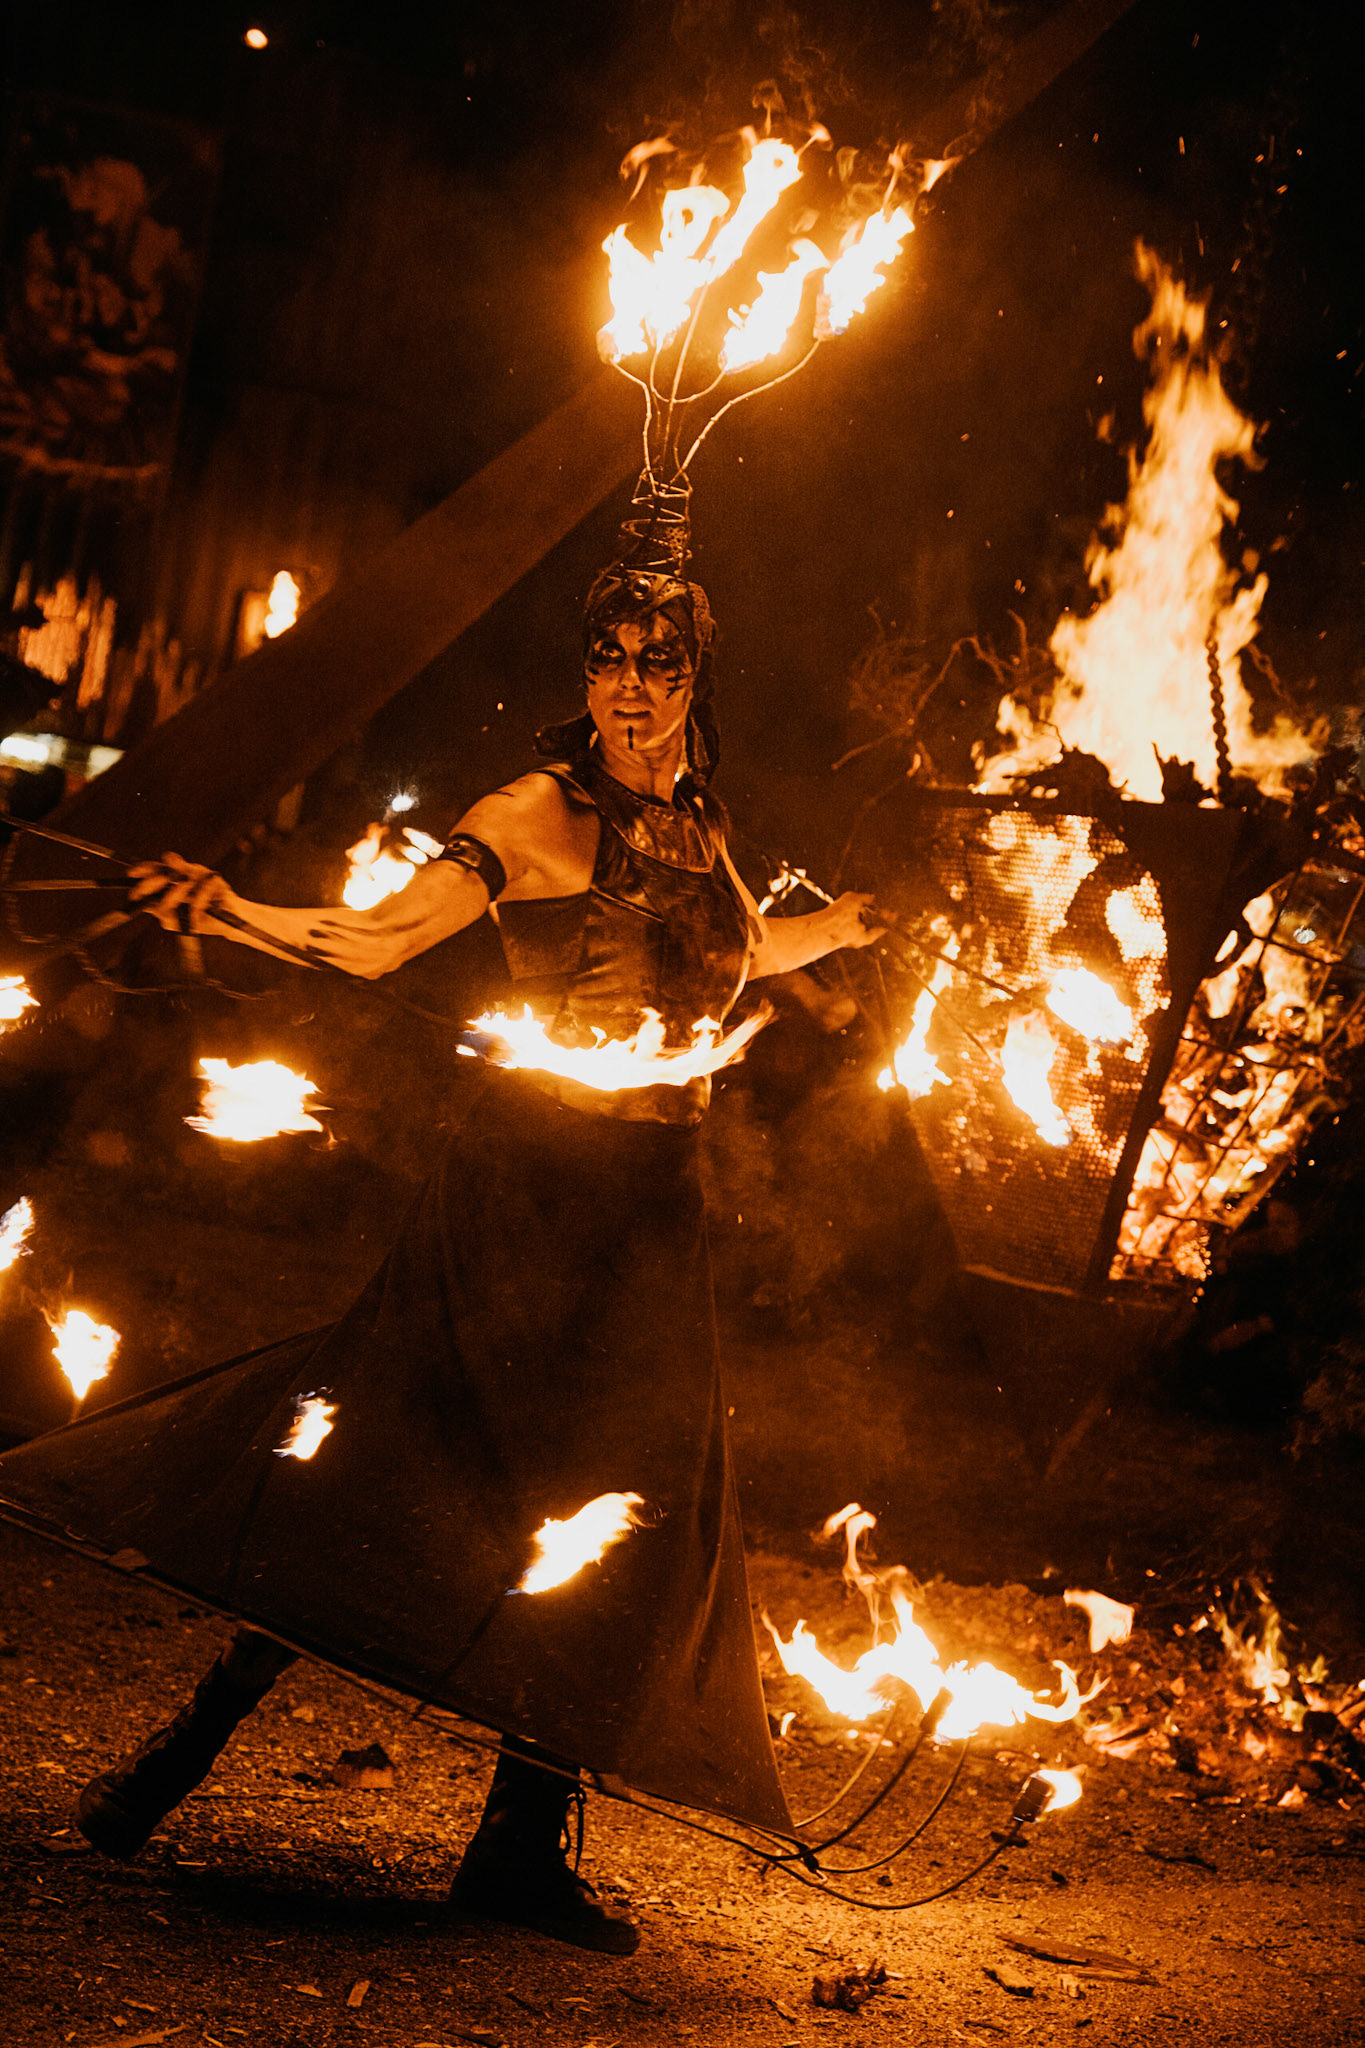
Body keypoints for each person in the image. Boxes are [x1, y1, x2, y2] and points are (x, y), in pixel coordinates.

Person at [0, 551, 880, 1956]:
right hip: (522, 1195)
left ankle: (516, 1847)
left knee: (623, 1506)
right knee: (383, 1456)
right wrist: (228, 909)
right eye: (608, 658)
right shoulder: (533, 814)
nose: (631, 689)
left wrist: (848, 928)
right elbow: (376, 939)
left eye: (659, 662)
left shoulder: (702, 822)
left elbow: (728, 954)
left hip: (649, 1212)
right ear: (583, 670)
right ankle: (178, 1752)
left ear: (696, 678)